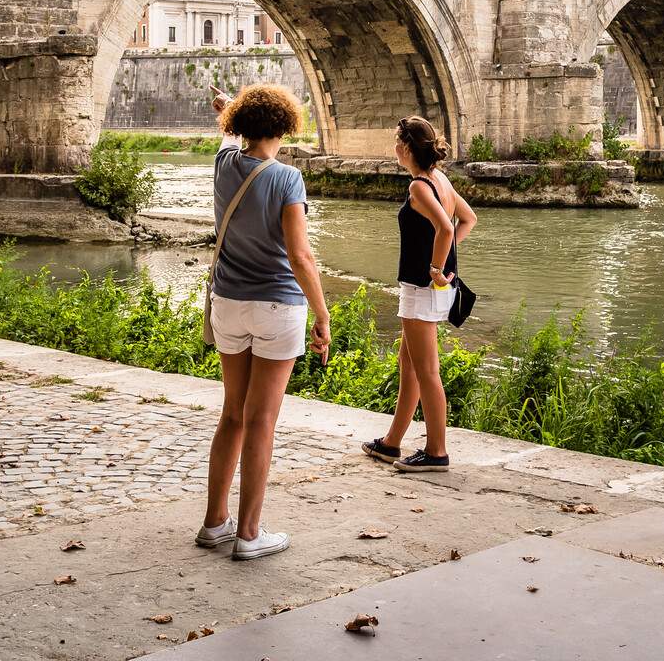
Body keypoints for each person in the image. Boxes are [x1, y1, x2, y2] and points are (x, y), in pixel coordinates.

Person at [198, 84, 331, 561]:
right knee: (262, 420)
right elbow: (300, 255)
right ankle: (250, 534)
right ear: (286, 127)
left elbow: (231, 138)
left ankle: (215, 523)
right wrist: (322, 311)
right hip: (277, 307)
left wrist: (230, 108)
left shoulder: (223, 164)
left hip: (228, 304)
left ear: (238, 126)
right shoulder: (287, 179)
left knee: (232, 414)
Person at [364, 116, 477, 473]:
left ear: (408, 147)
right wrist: (443, 264)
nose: (394, 147)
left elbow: (446, 228)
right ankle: (392, 443)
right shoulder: (440, 179)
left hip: (422, 288)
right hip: (431, 289)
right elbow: (468, 219)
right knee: (409, 365)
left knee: (426, 371)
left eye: (397, 141)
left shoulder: (418, 187)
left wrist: (434, 268)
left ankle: (436, 452)